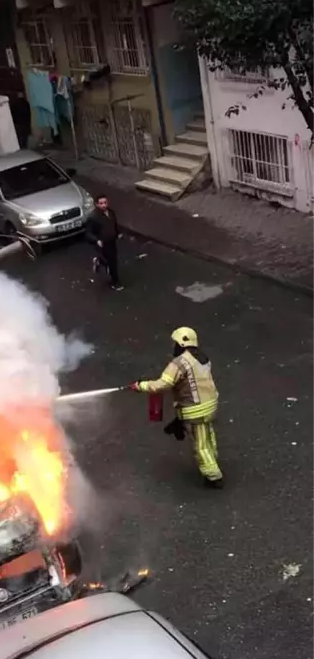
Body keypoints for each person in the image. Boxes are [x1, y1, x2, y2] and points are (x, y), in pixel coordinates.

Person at [133, 326, 223, 487]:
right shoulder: (201, 357)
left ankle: (214, 477)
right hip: (210, 405)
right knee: (208, 437)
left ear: (181, 344)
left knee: (200, 446)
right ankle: (213, 460)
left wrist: (141, 386)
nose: (173, 346)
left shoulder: (180, 363)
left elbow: (163, 384)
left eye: (175, 343)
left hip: (195, 410)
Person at [85, 195, 122, 290]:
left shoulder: (111, 212)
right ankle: (115, 282)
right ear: (97, 204)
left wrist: (118, 233)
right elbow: (88, 233)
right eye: (101, 203)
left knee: (111, 260)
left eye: (105, 203)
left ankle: (99, 261)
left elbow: (114, 224)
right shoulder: (93, 217)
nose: (104, 205)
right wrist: (96, 240)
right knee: (111, 262)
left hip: (112, 241)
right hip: (102, 243)